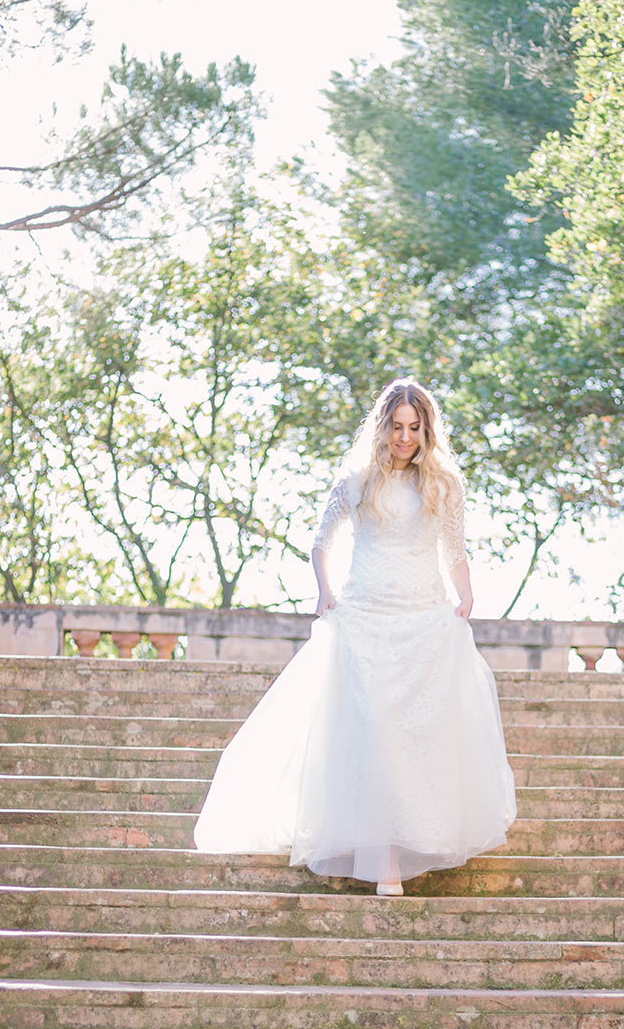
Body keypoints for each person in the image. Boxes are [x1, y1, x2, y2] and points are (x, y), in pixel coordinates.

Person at [193, 378, 517, 896]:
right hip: (364, 616)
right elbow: (321, 543)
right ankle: (383, 861)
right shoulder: (356, 480)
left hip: (421, 619)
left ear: (426, 429)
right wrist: (324, 592)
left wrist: (467, 595)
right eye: (397, 427)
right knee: (375, 728)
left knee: (414, 734)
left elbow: (455, 551)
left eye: (415, 428)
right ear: (382, 426)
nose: (405, 437)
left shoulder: (443, 484)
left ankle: (410, 841)